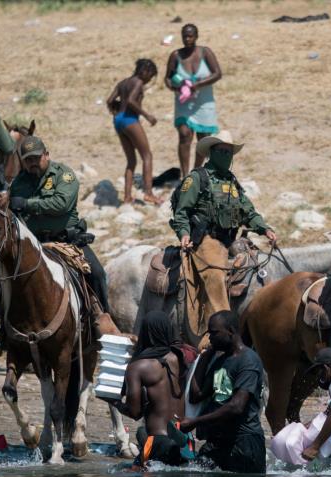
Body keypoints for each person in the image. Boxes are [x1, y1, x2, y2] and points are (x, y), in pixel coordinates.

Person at [170, 131, 277, 343]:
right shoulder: (197, 178)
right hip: (206, 239)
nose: (227, 156)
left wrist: (264, 229)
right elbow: (182, 211)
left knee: (258, 268)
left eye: (230, 152)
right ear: (212, 152)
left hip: (231, 239)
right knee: (215, 275)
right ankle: (217, 335)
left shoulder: (232, 182)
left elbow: (248, 211)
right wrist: (183, 233)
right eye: (222, 151)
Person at [8, 135, 116, 337]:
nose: (33, 163)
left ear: (46, 155)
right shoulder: (19, 183)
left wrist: (27, 204)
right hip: (35, 243)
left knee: (98, 274)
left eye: (36, 158)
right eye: (28, 159)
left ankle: (101, 321)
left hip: (66, 240)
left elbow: (62, 204)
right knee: (6, 277)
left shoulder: (63, 175)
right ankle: (1, 325)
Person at [178, 311, 266, 474]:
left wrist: (195, 421)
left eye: (214, 333)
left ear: (231, 331)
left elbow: (237, 406)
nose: (210, 338)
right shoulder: (221, 361)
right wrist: (205, 357)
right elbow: (196, 395)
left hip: (244, 443)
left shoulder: (248, 360)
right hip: (218, 442)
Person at [113, 311, 193, 468]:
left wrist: (115, 402)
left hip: (157, 441)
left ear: (145, 333)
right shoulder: (181, 359)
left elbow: (135, 413)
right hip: (185, 441)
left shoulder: (138, 367)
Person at [163, 23, 222, 176]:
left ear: (196, 36)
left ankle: (196, 172)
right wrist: (176, 88)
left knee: (203, 139)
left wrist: (197, 85)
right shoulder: (175, 55)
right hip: (184, 102)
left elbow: (217, 73)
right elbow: (168, 78)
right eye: (185, 36)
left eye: (190, 36)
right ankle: (184, 174)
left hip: (204, 102)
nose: (187, 39)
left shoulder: (205, 52)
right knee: (184, 135)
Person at [107, 59, 161, 205]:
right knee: (147, 155)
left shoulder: (123, 83)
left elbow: (110, 100)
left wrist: (115, 112)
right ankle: (149, 194)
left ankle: (127, 197)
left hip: (118, 120)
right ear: (145, 71)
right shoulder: (138, 82)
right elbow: (131, 100)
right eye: (151, 76)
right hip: (130, 120)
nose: (149, 79)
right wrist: (147, 115)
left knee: (131, 161)